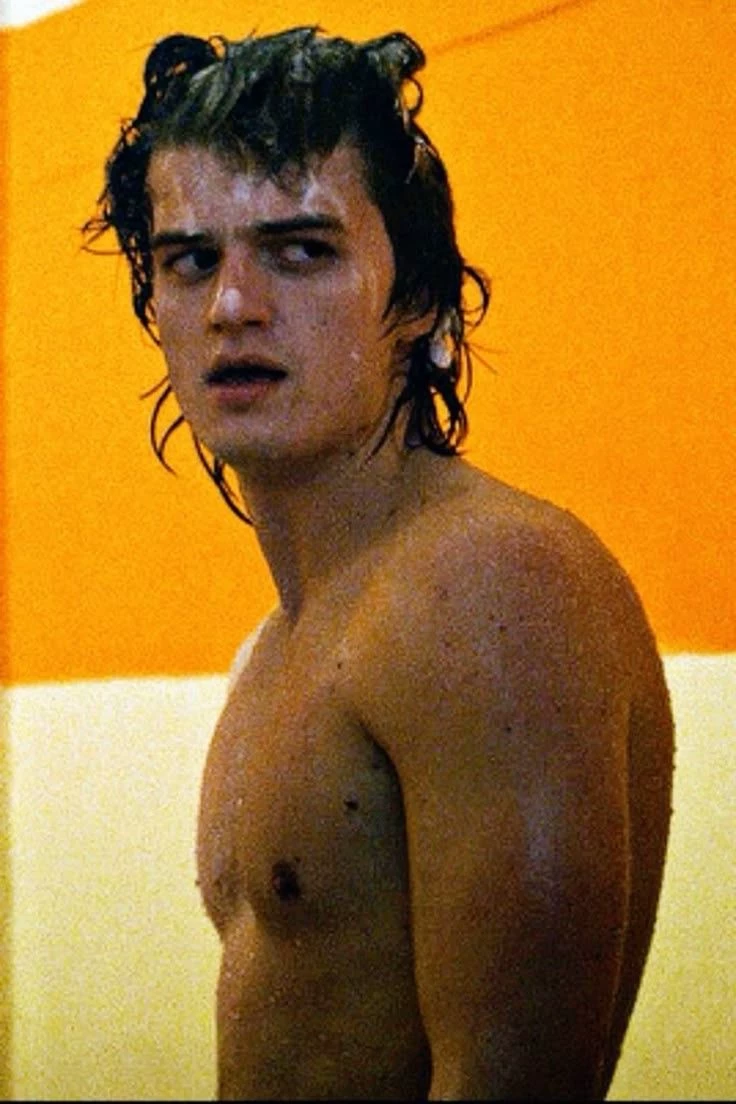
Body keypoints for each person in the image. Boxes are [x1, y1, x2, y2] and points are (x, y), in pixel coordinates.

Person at [85, 26, 674, 1100]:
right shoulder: (289, 637)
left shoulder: (488, 583)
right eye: (191, 260)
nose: (232, 304)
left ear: (418, 302)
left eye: (300, 250)